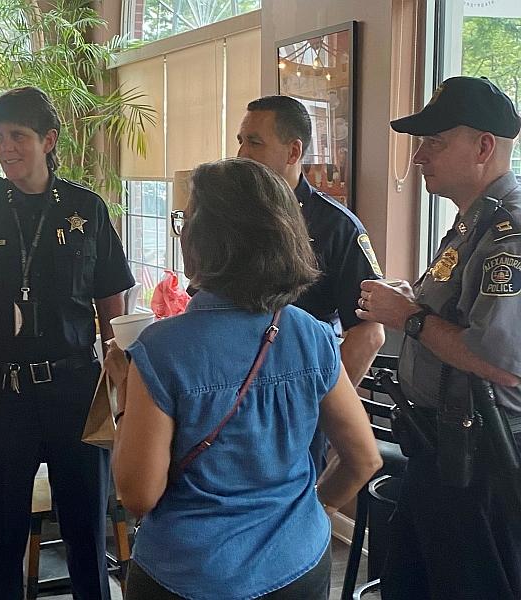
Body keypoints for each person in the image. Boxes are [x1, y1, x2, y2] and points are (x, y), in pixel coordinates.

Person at [107, 157, 382, 600]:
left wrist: (124, 391)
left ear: (203, 240)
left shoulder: (161, 349)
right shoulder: (311, 334)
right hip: (298, 566)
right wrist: (316, 510)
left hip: (188, 574)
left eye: (185, 220)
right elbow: (364, 459)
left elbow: (139, 494)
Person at [0, 86, 134, 600]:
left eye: (17, 136)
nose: (6, 148)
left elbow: (112, 310)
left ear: (49, 140)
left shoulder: (86, 209)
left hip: (75, 391)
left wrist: (121, 397)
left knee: (87, 530)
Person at [357, 76, 521, 599]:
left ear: (484, 147)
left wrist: (410, 317)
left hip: (480, 460)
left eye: (435, 142)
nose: (419, 156)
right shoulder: (474, 221)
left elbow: (500, 362)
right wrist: (417, 304)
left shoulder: (509, 233)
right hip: (440, 450)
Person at [235, 95, 385, 472]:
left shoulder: (336, 226)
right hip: (227, 394)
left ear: (293, 151)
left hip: (294, 402)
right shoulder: (230, 217)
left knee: (296, 504)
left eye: (254, 142)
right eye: (240, 140)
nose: (241, 154)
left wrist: (322, 404)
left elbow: (368, 333)